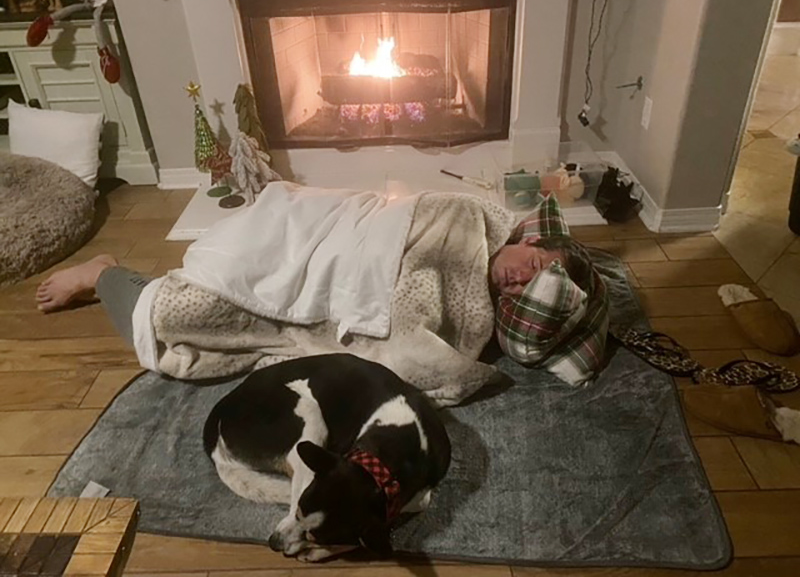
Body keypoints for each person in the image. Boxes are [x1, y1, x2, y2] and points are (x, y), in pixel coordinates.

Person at [35, 234, 593, 342]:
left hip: (345, 297)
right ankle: (103, 273)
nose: (521, 275)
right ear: (529, 237)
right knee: (189, 307)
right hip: (327, 244)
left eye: (533, 285)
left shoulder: (484, 313)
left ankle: (110, 277)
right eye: (536, 259)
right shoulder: (475, 217)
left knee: (187, 320)